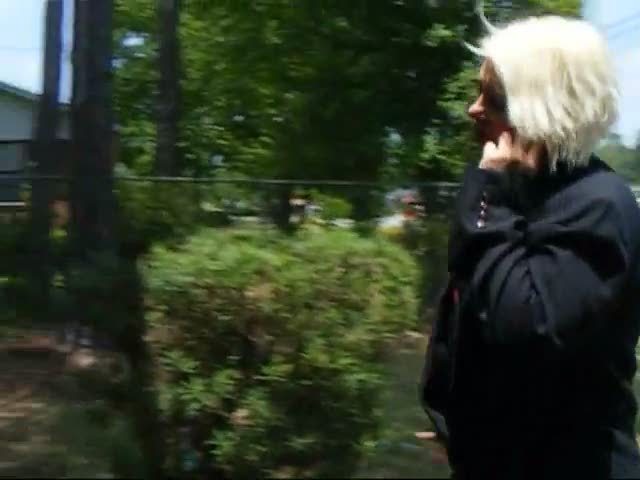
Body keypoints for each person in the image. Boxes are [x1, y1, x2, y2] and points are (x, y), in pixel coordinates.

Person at [419, 13, 640, 479]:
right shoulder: (520, 192)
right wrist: (456, 421)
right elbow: (472, 309)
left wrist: (489, 193)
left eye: (494, 97)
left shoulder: (598, 205)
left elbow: (523, 324)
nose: (474, 109)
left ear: (544, 108)